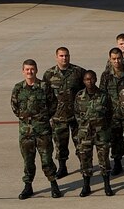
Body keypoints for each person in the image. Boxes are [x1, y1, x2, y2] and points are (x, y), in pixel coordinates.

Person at [11, 59, 62, 199]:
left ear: (36, 70)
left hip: (42, 132)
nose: (30, 72)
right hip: (26, 133)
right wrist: (26, 119)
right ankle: (28, 186)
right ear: (23, 71)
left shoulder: (44, 87)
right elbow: (14, 107)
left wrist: (42, 119)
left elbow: (53, 104)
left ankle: (54, 185)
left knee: (47, 160)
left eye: (32, 69)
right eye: (27, 69)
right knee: (28, 161)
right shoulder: (18, 88)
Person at [41, 47, 85, 179]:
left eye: (66, 56)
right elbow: (45, 96)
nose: (64, 58)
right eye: (61, 56)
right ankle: (62, 167)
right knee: (60, 144)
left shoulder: (78, 72)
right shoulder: (49, 74)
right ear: (56, 57)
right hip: (58, 116)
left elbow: (87, 91)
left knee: (81, 142)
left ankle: (84, 165)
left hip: (77, 115)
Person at [74, 70, 114, 197]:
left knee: (104, 160)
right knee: (85, 160)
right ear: (83, 81)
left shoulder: (104, 95)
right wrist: (83, 126)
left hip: (101, 134)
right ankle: (86, 186)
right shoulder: (79, 96)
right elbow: (76, 113)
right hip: (85, 134)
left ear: (96, 79)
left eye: (91, 79)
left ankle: (107, 185)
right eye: (87, 79)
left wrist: (103, 126)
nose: (89, 82)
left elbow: (110, 113)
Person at [100, 48, 124, 175]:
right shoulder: (106, 75)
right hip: (113, 113)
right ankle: (117, 162)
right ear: (110, 60)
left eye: (119, 58)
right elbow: (102, 94)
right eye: (114, 59)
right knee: (115, 140)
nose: (117, 61)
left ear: (122, 58)